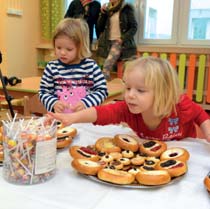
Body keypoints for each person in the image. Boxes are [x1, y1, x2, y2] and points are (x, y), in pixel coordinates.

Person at [46, 56, 210, 142]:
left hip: (184, 151)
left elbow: (200, 115)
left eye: (140, 90)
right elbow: (101, 112)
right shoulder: (128, 108)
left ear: (163, 93)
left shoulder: (180, 106)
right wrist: (72, 118)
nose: (130, 95)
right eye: (128, 87)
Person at [39, 18, 108, 113]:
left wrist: (86, 103)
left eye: (69, 49)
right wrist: (54, 103)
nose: (62, 52)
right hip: (61, 121)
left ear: (80, 47)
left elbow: (102, 91)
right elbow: (44, 92)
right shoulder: (52, 67)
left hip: (86, 121)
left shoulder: (91, 67)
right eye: (58, 47)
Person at [96, 0, 138, 80]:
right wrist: (103, 14)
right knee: (108, 67)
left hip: (119, 42)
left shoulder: (126, 8)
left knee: (106, 67)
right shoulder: (107, 9)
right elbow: (99, 27)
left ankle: (103, 85)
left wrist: (122, 38)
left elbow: (134, 27)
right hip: (107, 43)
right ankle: (107, 87)